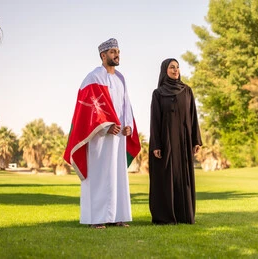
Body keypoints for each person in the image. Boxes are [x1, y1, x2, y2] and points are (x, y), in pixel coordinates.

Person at [64, 38, 141, 229]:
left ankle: (117, 216)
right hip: (98, 137)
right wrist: (106, 126)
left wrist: (128, 125)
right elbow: (89, 108)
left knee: (117, 176)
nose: (117, 55)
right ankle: (96, 219)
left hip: (119, 137)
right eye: (113, 52)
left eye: (118, 51)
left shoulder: (121, 78)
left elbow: (126, 105)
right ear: (103, 55)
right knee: (99, 176)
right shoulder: (93, 77)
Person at [149, 58, 202, 225]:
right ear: (165, 70)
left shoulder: (187, 91)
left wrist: (196, 140)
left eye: (177, 67)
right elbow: (155, 120)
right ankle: (165, 217)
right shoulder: (158, 93)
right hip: (165, 142)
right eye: (172, 67)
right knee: (166, 178)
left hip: (184, 142)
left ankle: (184, 216)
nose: (175, 70)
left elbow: (193, 116)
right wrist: (156, 144)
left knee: (182, 177)